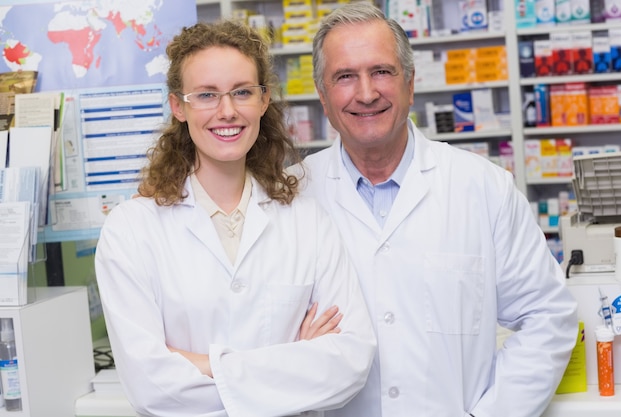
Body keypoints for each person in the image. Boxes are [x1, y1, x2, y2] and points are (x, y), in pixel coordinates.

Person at [289, 3, 579, 417]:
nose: (366, 92)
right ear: (322, 95)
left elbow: (547, 315)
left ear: (410, 84)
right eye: (345, 76)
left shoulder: (483, 187)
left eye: (382, 72)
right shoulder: (290, 195)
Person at [94, 20, 376, 417]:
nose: (227, 111)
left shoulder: (308, 221)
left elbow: (350, 362)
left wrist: (204, 365)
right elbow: (150, 387)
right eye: (206, 95)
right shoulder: (131, 229)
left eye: (242, 92)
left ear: (263, 101)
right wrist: (295, 358)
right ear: (179, 106)